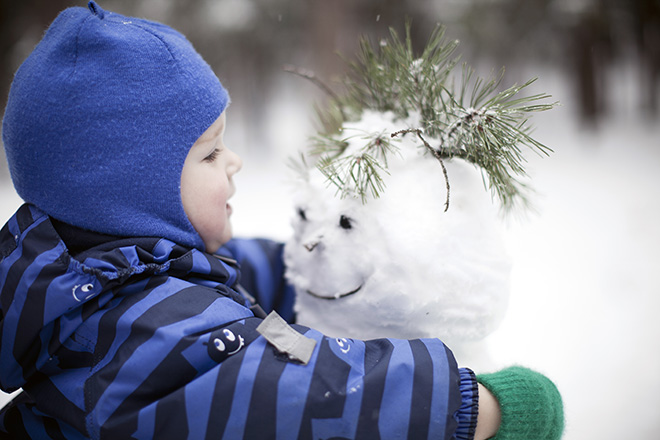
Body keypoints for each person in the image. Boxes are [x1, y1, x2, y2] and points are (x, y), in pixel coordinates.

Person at [0, 2, 563, 439]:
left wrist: (311, 264)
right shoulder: (143, 336)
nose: (234, 160)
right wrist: (468, 405)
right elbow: (297, 392)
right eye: (210, 153)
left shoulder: (104, 285)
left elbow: (222, 280)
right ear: (131, 193)